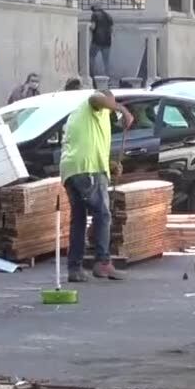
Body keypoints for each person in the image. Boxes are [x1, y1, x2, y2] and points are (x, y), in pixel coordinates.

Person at [61, 89, 133, 282]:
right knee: (102, 213)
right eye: (111, 104)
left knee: (79, 219)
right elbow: (96, 98)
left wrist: (109, 166)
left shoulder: (85, 117)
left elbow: (88, 146)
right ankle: (103, 262)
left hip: (72, 170)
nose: (111, 110)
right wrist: (122, 110)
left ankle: (75, 268)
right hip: (87, 169)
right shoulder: (93, 105)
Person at [90, 6, 113, 77]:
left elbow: (93, 27)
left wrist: (89, 28)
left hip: (97, 41)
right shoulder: (108, 16)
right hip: (107, 42)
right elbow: (111, 29)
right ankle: (107, 76)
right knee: (106, 61)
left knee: (91, 56)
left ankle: (92, 74)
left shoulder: (94, 15)